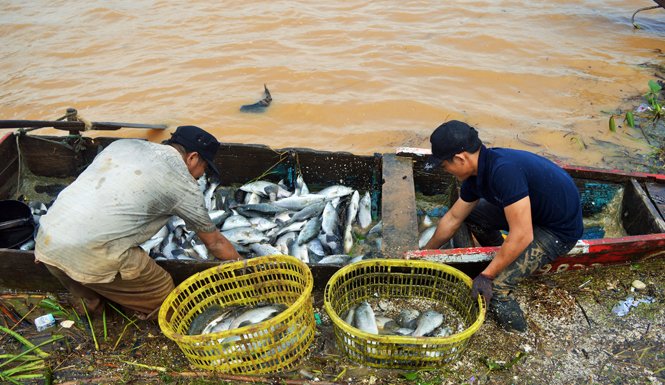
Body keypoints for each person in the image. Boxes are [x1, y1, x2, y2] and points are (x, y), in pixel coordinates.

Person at [34, 125, 242, 320]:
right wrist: (245, 268)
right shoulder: (183, 184)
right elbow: (215, 243)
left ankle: (94, 312)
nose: (200, 176)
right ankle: (167, 322)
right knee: (164, 288)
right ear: (193, 158)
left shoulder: (122, 145)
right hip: (91, 255)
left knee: (86, 283)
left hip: (47, 243)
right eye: (204, 168)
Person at [422, 120, 583, 332]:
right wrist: (424, 254)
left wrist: (487, 276)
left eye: (445, 166)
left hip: (558, 230)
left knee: (497, 289)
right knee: (471, 217)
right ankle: (503, 255)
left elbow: (523, 234)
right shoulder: (475, 176)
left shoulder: (504, 172)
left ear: (460, 158)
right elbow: (453, 219)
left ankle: (519, 334)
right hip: (532, 213)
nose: (446, 171)